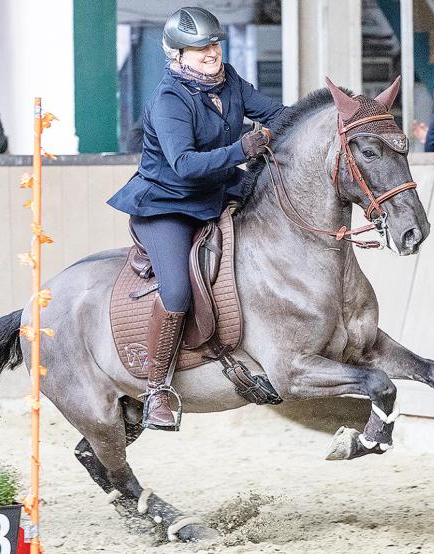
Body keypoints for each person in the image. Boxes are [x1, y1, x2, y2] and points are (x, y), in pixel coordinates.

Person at [106, 7, 287, 431]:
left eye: (214, 43)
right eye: (199, 47)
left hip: (218, 188)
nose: (211, 52)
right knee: (176, 290)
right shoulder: (169, 99)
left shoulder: (231, 80)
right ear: (178, 54)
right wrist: (244, 149)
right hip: (167, 204)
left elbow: (278, 115)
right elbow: (185, 165)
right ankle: (156, 391)